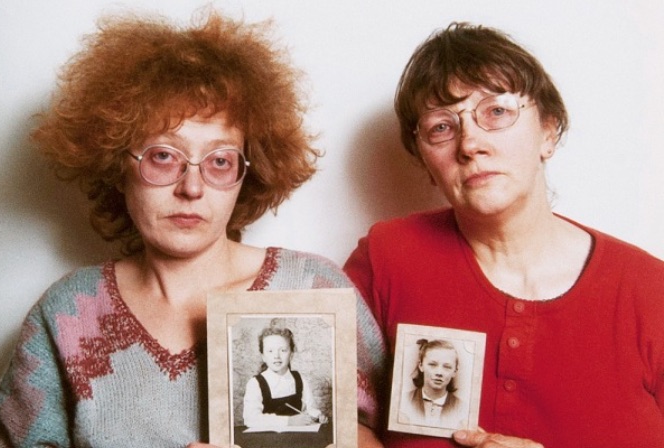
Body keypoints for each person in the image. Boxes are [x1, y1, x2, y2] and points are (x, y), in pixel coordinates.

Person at [0, 10, 385, 448]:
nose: (192, 187)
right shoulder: (69, 313)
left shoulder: (314, 290)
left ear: (246, 175)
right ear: (116, 166)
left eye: (220, 161)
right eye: (164, 156)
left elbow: (377, 437)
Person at [345, 22, 664, 448]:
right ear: (426, 160)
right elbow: (326, 419)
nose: (470, 143)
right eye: (441, 127)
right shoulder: (387, 258)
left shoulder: (648, 291)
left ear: (549, 131)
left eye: (496, 112)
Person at [242, 326, 328, 428]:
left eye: (283, 350)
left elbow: (309, 408)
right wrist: (288, 421)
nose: (276, 356)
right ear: (263, 357)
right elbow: (250, 419)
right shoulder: (255, 384)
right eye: (270, 351)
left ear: (291, 354)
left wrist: (317, 415)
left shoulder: (298, 379)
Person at [399, 339, 466, 429]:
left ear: (454, 371)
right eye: (432, 365)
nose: (439, 373)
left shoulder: (462, 409)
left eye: (447, 367)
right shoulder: (403, 401)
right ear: (421, 366)